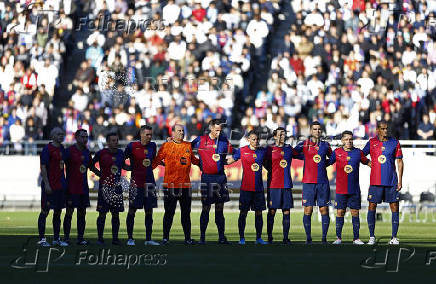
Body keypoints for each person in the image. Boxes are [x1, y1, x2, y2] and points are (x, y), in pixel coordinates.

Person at [152, 124, 199, 245]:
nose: (182, 133)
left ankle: (188, 239)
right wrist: (145, 169)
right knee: (169, 212)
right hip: (170, 186)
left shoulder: (188, 145)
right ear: (172, 133)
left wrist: (209, 165)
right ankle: (165, 238)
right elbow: (156, 161)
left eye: (183, 131)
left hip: (185, 186)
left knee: (186, 213)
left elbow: (194, 160)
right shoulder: (166, 146)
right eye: (179, 131)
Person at [191, 119, 233, 244]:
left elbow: (236, 153)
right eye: (216, 130)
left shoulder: (225, 140)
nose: (219, 133)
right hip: (207, 179)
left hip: (220, 178)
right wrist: (198, 163)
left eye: (220, 130)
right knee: (206, 208)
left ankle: (221, 237)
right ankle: (202, 237)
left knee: (220, 209)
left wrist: (231, 160)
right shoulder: (200, 140)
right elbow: (186, 149)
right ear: (210, 128)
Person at [363, 120, 404, 245]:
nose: (385, 131)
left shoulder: (394, 142)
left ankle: (394, 237)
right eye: (383, 128)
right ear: (378, 130)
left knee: (394, 207)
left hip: (391, 182)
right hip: (375, 182)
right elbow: (360, 155)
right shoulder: (371, 142)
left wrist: (400, 181)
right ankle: (371, 237)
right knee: (372, 207)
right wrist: (369, 163)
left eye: (387, 128)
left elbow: (400, 162)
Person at [327, 131, 371, 245]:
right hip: (341, 189)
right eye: (346, 139)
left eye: (351, 139)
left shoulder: (358, 152)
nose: (349, 141)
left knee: (355, 212)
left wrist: (380, 167)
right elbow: (327, 163)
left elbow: (367, 162)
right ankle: (338, 238)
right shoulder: (337, 152)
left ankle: (356, 238)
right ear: (342, 141)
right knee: (340, 212)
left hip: (354, 189)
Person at [227, 130, 268, 245]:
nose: (255, 141)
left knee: (259, 213)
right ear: (248, 139)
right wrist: (217, 162)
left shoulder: (262, 151)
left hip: (258, 188)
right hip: (246, 188)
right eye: (253, 139)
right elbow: (230, 160)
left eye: (257, 139)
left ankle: (259, 238)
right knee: (243, 213)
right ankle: (241, 238)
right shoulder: (242, 151)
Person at [294, 121, 332, 244]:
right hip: (308, 182)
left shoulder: (326, 145)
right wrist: (304, 158)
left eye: (319, 129)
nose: (317, 131)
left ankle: (324, 238)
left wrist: (325, 163)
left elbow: (332, 158)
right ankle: (308, 238)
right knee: (308, 210)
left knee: (324, 210)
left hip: (322, 182)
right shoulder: (304, 144)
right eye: (314, 129)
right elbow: (294, 153)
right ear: (311, 131)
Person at [124, 125, 160, 246]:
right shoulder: (132, 146)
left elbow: (154, 160)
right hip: (136, 184)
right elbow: (121, 160)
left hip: (149, 183)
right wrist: (129, 168)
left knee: (149, 211)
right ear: (141, 134)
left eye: (151, 135)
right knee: (132, 210)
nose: (149, 137)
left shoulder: (153, 146)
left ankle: (148, 239)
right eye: (147, 135)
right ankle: (130, 238)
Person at [265, 127, 301, 244]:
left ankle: (285, 238)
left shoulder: (289, 149)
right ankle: (269, 237)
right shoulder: (269, 149)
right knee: (272, 211)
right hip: (274, 185)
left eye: (284, 134)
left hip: (286, 184)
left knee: (286, 211)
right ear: (275, 136)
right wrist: (272, 172)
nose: (282, 136)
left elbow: (302, 156)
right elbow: (263, 162)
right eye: (280, 134)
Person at [63, 129, 99, 245]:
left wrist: (101, 174)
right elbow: (59, 165)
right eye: (83, 137)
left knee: (82, 213)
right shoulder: (69, 151)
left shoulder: (87, 152)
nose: (85, 139)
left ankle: (80, 238)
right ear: (76, 138)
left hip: (83, 187)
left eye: (86, 137)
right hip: (71, 187)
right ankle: (66, 238)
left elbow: (91, 167)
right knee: (69, 212)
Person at [91, 132, 126, 245]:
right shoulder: (101, 153)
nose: (115, 142)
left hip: (117, 188)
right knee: (102, 214)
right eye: (113, 140)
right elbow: (91, 165)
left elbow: (124, 166)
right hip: (104, 188)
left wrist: (134, 167)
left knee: (116, 214)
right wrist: (99, 173)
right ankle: (100, 238)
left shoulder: (121, 153)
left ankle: (115, 239)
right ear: (108, 142)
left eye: (116, 140)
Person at [37, 127, 68, 247]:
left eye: (62, 134)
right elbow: (43, 167)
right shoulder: (47, 149)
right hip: (50, 185)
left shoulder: (61, 148)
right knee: (45, 211)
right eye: (59, 134)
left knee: (58, 212)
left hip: (60, 185)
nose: (62, 136)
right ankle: (42, 239)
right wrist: (47, 184)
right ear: (53, 136)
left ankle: (56, 238)